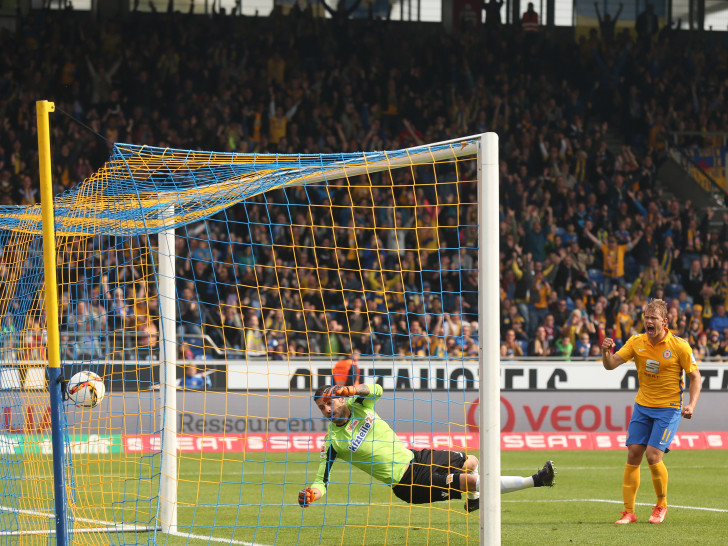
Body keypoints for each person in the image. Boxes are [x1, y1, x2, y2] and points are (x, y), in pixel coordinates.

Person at [299, 384, 556, 512]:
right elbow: (322, 480)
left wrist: (352, 388)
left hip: (415, 456)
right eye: (321, 408)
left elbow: (377, 389)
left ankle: (474, 502)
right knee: (468, 480)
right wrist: (312, 493)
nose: (326, 410)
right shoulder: (332, 442)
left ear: (341, 398)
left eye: (329, 403)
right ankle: (536, 480)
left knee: (472, 461)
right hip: (407, 481)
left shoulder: (359, 404)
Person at [600, 299, 701, 525]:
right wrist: (606, 352)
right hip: (643, 407)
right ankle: (629, 512)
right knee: (634, 453)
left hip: (669, 408)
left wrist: (691, 405)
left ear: (664, 322)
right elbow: (610, 364)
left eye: (653, 318)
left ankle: (661, 505)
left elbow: (695, 377)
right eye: (646, 317)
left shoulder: (680, 346)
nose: (648, 321)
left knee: (653, 456)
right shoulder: (637, 342)